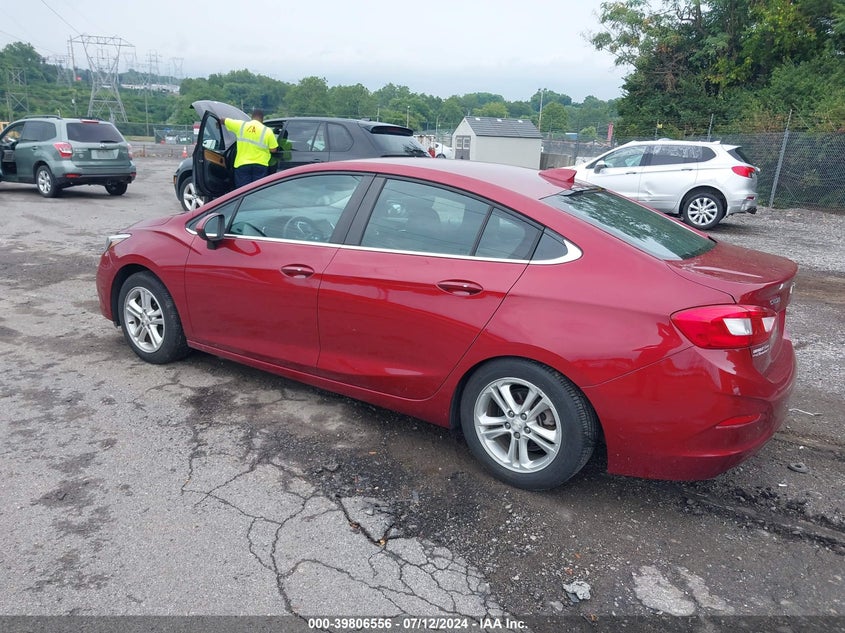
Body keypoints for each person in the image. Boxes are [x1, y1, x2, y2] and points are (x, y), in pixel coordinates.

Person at [221, 108, 279, 188]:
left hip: (242, 164)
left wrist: (217, 124)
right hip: (260, 165)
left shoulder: (241, 125)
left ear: (252, 117)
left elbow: (224, 120)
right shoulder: (267, 131)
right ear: (262, 119)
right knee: (257, 190)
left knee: (243, 191)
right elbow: (273, 149)